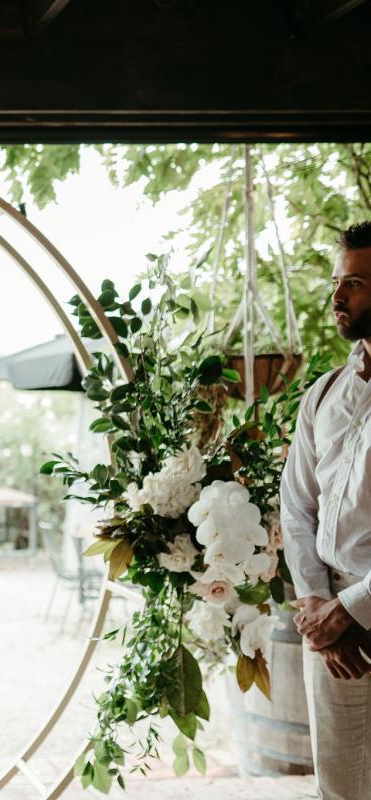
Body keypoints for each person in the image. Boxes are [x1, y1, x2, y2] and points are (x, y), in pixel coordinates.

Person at [282, 220, 371, 800]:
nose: (337, 297)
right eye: (338, 283)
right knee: (339, 789)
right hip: (331, 634)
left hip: (356, 607)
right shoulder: (324, 392)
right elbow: (296, 507)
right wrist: (320, 610)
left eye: (356, 283)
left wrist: (354, 606)